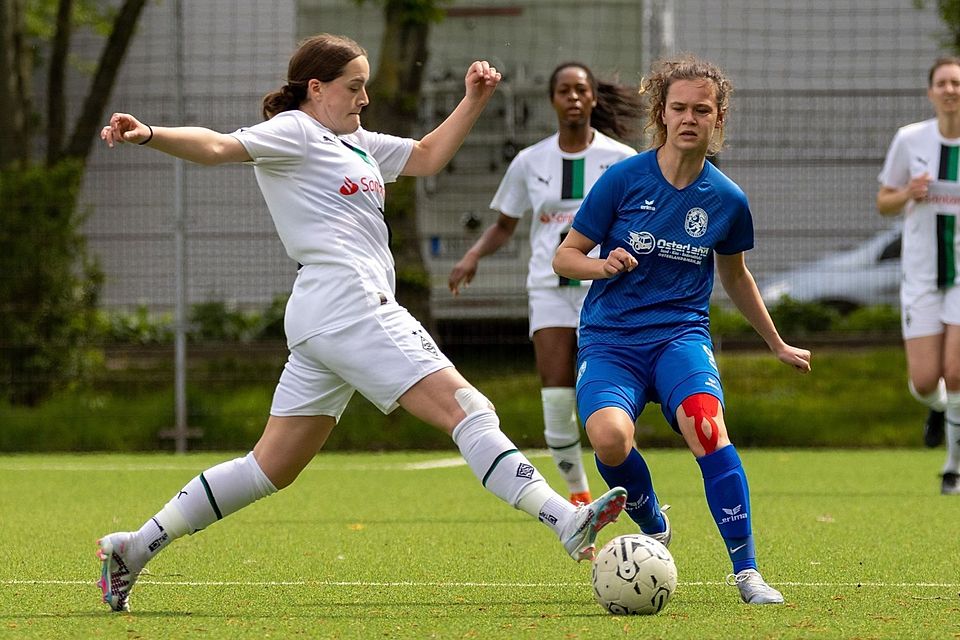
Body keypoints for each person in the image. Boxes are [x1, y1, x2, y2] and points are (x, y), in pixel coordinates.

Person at [95, 33, 628, 613]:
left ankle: (135, 546)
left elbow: (426, 156)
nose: (364, 98)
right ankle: (564, 517)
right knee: (467, 410)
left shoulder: (355, 142)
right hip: (350, 306)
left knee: (268, 468)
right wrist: (149, 134)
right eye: (354, 87)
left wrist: (473, 99)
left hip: (325, 316)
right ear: (316, 88)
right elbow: (220, 147)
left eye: (366, 85)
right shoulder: (296, 130)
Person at [552, 54, 812, 605]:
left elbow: (736, 276)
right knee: (609, 439)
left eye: (702, 109)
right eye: (678, 108)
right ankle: (650, 517)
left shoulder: (727, 200)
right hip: (612, 340)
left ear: (718, 120)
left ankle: (747, 572)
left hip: (680, 338)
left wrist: (776, 342)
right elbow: (565, 258)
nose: (689, 118)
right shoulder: (622, 180)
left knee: (707, 427)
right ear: (661, 114)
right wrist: (603, 264)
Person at [448, 62, 640, 506]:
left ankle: (634, 490)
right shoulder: (529, 161)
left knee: (617, 400)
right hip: (549, 291)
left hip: (606, 293)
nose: (573, 98)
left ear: (593, 98)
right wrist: (473, 255)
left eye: (581, 90)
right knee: (556, 401)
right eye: (563, 91)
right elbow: (505, 225)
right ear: (552, 100)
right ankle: (580, 501)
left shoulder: (620, 161)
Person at [877, 56, 960, 495]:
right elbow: (883, 201)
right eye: (943, 83)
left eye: (957, 83)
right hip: (922, 275)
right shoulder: (910, 140)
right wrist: (909, 192)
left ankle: (953, 468)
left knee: (957, 369)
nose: (951, 90)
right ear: (931, 92)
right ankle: (938, 408)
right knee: (927, 381)